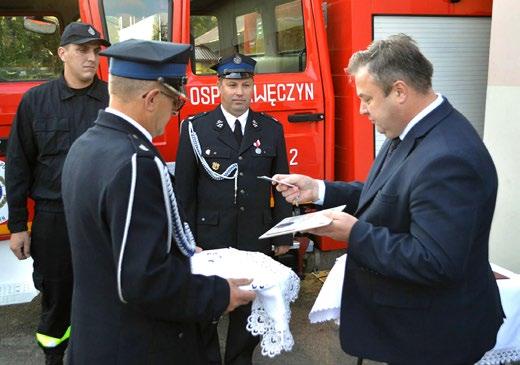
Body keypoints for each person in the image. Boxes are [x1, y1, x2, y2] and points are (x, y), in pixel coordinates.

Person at [274, 34, 504, 364]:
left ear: (399, 91)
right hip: (409, 330)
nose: (361, 109)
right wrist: (320, 190)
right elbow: (386, 195)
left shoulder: (449, 158)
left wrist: (354, 234)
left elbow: (435, 262)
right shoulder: (411, 130)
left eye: (366, 98)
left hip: (432, 340)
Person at [60, 39, 256, 364]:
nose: (174, 113)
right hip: (137, 345)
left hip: (97, 338)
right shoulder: (136, 161)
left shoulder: (87, 144)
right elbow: (143, 281)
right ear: (152, 98)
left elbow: (108, 240)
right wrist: (220, 294)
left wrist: (179, 247)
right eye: (175, 104)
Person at [175, 54, 293, 364]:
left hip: (254, 237)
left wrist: (282, 233)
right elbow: (184, 192)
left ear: (253, 87)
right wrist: (185, 241)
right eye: (231, 85)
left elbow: (280, 185)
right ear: (219, 87)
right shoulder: (196, 129)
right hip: (209, 239)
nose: (239, 92)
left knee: (248, 311)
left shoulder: (270, 129)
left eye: (245, 85)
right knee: (206, 311)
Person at [6, 22, 110, 365]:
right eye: (82, 50)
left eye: (96, 51)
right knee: (57, 293)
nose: (91, 58)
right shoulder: (36, 101)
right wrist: (19, 225)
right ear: (62, 53)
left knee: (106, 294)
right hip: (54, 219)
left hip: (103, 217)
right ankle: (55, 357)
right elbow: (20, 165)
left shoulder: (114, 99)